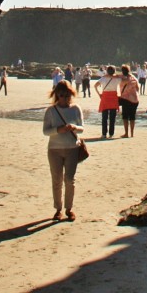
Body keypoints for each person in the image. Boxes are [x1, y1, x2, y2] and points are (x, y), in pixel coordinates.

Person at [43, 80, 83, 222]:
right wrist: (58, 130)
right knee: (57, 180)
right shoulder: (51, 111)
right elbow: (45, 131)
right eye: (62, 95)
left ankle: (69, 209)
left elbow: (82, 127)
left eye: (67, 95)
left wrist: (74, 127)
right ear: (56, 95)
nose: (65, 98)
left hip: (72, 148)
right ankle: (58, 209)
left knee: (70, 180)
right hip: (54, 149)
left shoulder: (76, 108)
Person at [94, 65, 120, 138]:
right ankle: (111, 134)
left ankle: (104, 134)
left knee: (104, 117)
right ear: (114, 71)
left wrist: (99, 94)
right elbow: (123, 77)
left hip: (105, 97)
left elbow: (95, 86)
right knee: (112, 117)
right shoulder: (117, 79)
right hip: (113, 97)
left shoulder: (103, 78)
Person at [118, 64, 139, 138]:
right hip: (135, 100)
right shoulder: (134, 78)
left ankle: (126, 133)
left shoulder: (122, 78)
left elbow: (113, 76)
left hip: (126, 99)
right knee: (132, 117)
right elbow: (137, 88)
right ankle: (132, 134)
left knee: (125, 117)